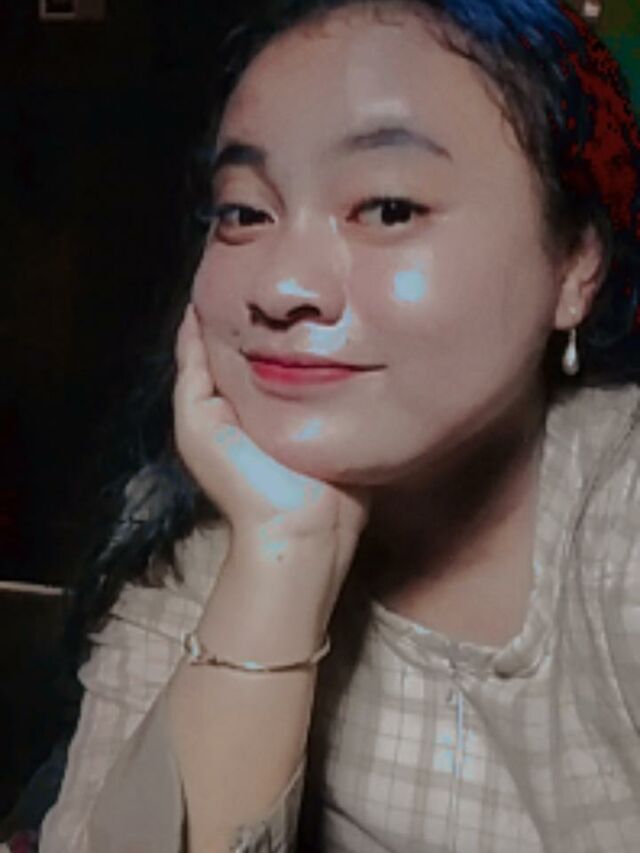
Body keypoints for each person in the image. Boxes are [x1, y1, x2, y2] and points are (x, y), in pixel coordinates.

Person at [37, 0, 640, 850]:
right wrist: (285, 550)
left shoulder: (619, 512)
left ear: (576, 264)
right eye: (244, 211)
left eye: (388, 208)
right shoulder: (186, 551)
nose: (281, 287)